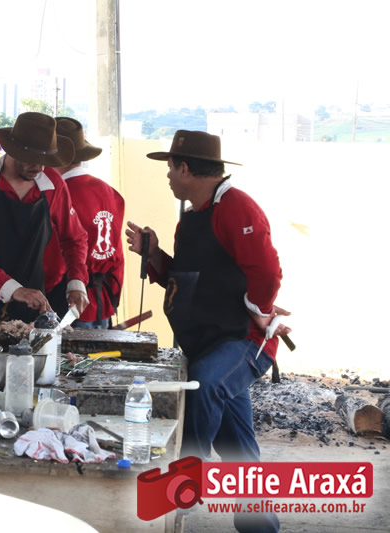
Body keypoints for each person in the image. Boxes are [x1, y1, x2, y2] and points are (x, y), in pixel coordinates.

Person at [125, 130, 290, 533]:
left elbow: (267, 271)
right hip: (205, 342)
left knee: (204, 383)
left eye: (169, 168)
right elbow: (184, 280)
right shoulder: (191, 217)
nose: (167, 176)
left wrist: (260, 312)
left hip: (241, 342)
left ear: (185, 168)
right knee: (240, 454)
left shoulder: (238, 207)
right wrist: (154, 254)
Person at [0, 112, 89, 324]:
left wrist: (76, 283)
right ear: (12, 150)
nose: (39, 167)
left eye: (44, 160)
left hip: (36, 302)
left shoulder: (53, 183)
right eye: (32, 159)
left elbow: (74, 239)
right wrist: (14, 289)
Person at [51, 117, 125, 329]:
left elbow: (54, 257)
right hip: (102, 300)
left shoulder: (58, 195)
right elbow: (117, 256)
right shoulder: (110, 193)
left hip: (66, 300)